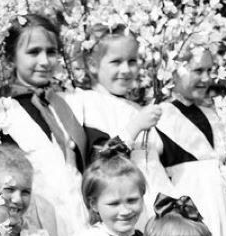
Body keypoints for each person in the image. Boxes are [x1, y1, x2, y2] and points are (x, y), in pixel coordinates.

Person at [0, 13, 89, 236]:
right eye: (33, 52)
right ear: (11, 57)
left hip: (80, 225)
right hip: (37, 235)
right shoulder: (0, 112)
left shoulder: (66, 104)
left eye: (51, 52)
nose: (44, 61)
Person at [155, 45, 226, 236]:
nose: (206, 78)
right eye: (197, 70)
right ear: (173, 70)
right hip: (191, 216)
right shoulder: (161, 117)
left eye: (210, 70)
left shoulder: (216, 116)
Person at [64, 24, 171, 218]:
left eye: (132, 61)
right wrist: (135, 127)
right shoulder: (87, 103)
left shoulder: (136, 108)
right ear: (93, 65)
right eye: (116, 62)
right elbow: (99, 161)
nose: (126, 69)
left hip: (159, 204)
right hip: (124, 208)